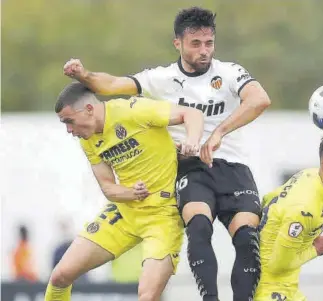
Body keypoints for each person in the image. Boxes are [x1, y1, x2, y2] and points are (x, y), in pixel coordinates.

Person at [63, 7, 271, 301]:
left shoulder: (229, 72)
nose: (204, 51)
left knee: (248, 240)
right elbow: (111, 85)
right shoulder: (160, 79)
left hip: (233, 167)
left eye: (209, 43)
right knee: (199, 228)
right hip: (190, 169)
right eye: (195, 44)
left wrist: (219, 133)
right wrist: (84, 74)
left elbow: (259, 99)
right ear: (178, 43)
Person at [44, 82, 204, 301]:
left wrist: (192, 140)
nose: (69, 131)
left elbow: (191, 114)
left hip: (162, 216)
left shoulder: (133, 110)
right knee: (60, 276)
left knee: (147, 296)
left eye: (69, 121)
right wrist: (131, 193)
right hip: (125, 213)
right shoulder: (88, 139)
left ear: (89, 109)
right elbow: (108, 187)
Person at [254, 133, 323, 301]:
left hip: (288, 288)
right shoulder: (305, 209)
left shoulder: (308, 174)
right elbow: (278, 266)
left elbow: (268, 198)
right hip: (272, 290)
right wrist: (316, 250)